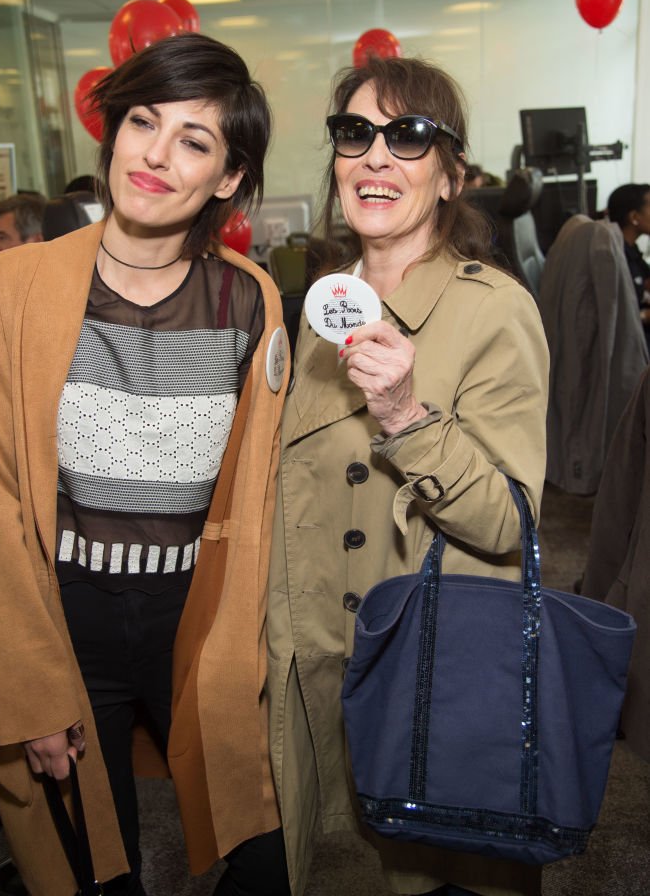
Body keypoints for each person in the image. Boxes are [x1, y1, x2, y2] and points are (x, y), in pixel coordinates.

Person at [0, 32, 291, 896]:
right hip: (64, 621)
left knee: (263, 847)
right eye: (143, 121)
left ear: (226, 178)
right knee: (94, 868)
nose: (155, 153)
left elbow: (255, 497)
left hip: (200, 615)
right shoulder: (9, 289)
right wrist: (30, 691)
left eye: (194, 139)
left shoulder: (247, 297)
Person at [267, 57, 549, 896]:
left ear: (451, 173)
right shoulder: (321, 307)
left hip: (437, 676)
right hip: (321, 661)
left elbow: (512, 522)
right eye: (355, 133)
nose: (377, 157)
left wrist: (406, 417)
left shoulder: (494, 308)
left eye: (409, 135)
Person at [606, 182, 650, 341]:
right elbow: (613, 321)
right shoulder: (615, 258)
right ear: (634, 217)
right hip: (634, 343)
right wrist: (645, 316)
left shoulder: (632, 251)